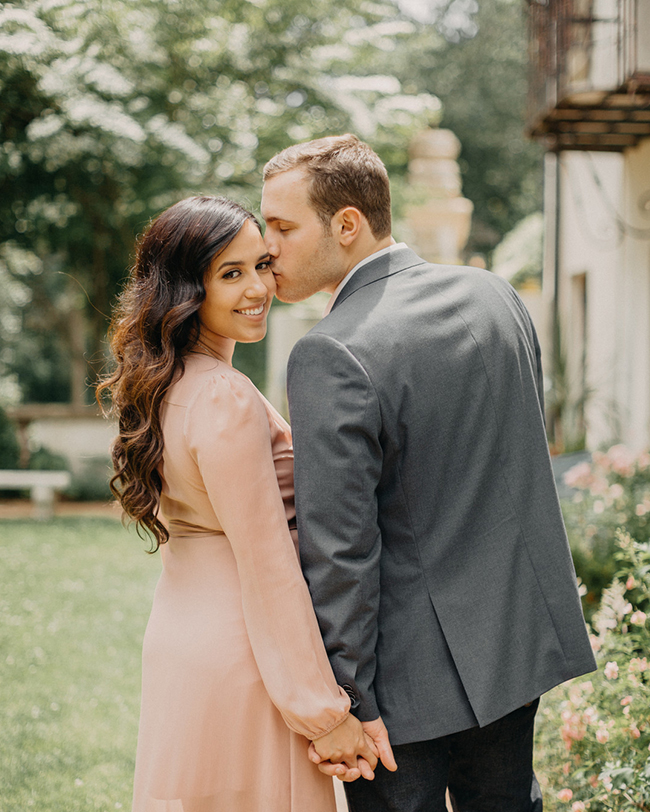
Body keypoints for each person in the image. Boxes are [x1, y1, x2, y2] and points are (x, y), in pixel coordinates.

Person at [260, 134, 598, 812]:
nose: (267, 247)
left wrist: (349, 702)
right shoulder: (497, 299)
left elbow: (341, 550)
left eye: (282, 227)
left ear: (347, 224)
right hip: (514, 650)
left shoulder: (329, 352)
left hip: (402, 688)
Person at [97, 195, 380, 812]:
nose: (258, 288)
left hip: (181, 637)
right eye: (231, 273)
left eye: (261, 265)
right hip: (246, 654)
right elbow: (267, 564)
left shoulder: (163, 384)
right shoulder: (224, 396)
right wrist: (323, 712)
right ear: (184, 290)